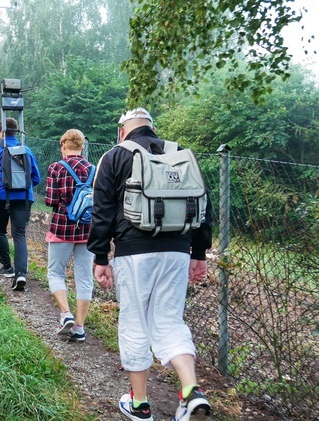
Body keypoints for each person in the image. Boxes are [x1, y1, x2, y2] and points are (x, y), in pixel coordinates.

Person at [87, 108, 213, 421]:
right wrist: (199, 253)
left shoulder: (114, 156)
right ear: (152, 128)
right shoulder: (181, 154)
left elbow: (101, 211)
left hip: (133, 252)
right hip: (178, 250)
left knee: (134, 321)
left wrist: (101, 257)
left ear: (122, 130)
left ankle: (140, 404)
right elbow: (202, 203)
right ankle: (191, 391)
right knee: (169, 321)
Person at [44, 129, 94, 342]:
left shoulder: (56, 168)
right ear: (83, 146)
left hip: (62, 227)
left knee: (55, 273)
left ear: (63, 145)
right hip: (87, 229)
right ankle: (80, 328)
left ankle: (66, 314)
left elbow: (50, 201)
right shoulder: (94, 169)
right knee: (84, 278)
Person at [0, 117, 41, 291]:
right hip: (23, 198)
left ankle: (7, 267)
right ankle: (21, 274)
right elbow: (36, 178)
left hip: (1, 196)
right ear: (16, 132)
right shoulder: (27, 151)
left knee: (0, 230)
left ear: (1, 132)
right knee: (19, 235)